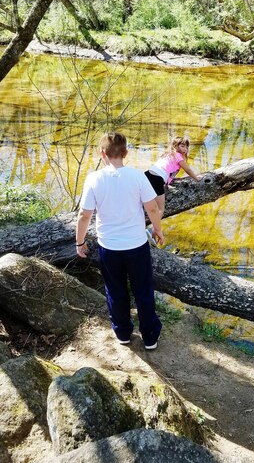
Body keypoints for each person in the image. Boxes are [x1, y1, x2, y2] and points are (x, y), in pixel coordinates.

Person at [75, 132, 163, 350]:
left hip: (110, 248)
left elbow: (84, 215)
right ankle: (150, 336)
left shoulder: (94, 178)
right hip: (136, 246)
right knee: (143, 290)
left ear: (102, 153)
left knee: (115, 290)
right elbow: (152, 207)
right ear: (125, 153)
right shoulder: (137, 176)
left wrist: (80, 241)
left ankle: (123, 332)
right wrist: (157, 230)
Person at [145, 136, 200, 219]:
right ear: (175, 146)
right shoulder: (178, 156)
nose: (185, 149)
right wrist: (197, 179)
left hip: (147, 174)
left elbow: (167, 169)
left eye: (186, 147)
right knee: (161, 208)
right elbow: (188, 170)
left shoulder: (167, 154)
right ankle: (156, 230)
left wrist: (169, 181)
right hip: (157, 179)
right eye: (182, 146)